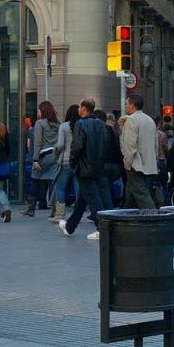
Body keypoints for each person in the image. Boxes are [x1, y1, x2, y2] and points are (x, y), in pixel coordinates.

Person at [59, 99, 110, 241]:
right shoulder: (101, 124)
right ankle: (70, 226)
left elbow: (77, 147)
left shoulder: (80, 124)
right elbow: (106, 144)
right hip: (97, 166)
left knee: (93, 199)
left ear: (83, 108)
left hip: (83, 167)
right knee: (82, 199)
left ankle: (102, 229)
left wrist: (72, 162)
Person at [120, 92, 164, 208]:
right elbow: (156, 144)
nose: (125, 106)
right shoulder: (150, 120)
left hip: (135, 164)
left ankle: (152, 217)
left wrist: (127, 163)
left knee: (141, 194)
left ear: (132, 106)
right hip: (149, 164)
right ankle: (127, 218)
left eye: (126, 104)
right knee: (133, 195)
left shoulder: (131, 120)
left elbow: (129, 146)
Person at [25, 101, 60, 216]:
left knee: (35, 179)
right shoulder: (57, 124)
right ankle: (55, 210)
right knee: (52, 182)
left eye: (39, 110)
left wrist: (35, 159)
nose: (38, 112)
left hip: (43, 155)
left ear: (43, 111)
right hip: (55, 155)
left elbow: (38, 142)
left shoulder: (39, 123)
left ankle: (30, 209)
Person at [49, 105, 79, 222]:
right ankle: (77, 213)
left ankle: (60, 214)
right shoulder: (81, 125)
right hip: (78, 162)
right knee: (78, 188)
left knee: (61, 187)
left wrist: (55, 148)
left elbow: (61, 145)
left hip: (65, 161)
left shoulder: (64, 126)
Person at [98, 108, 125, 206]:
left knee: (104, 189)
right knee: (108, 187)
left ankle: (105, 209)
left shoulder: (103, 130)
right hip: (115, 164)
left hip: (105, 163)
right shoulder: (115, 132)